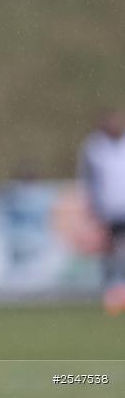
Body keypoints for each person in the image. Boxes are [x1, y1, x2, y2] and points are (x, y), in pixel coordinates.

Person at [78, 108, 125, 316]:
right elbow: (88, 179)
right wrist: (92, 205)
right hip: (108, 209)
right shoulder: (94, 147)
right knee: (109, 252)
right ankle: (111, 293)